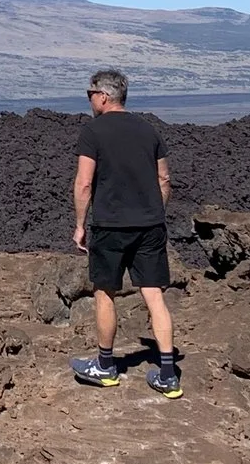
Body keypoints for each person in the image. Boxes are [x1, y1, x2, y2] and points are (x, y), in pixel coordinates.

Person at [70, 69, 180, 396]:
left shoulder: (93, 132)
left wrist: (79, 225)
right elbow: (164, 180)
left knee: (105, 291)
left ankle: (105, 367)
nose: (89, 100)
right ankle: (168, 373)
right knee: (154, 294)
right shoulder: (149, 130)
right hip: (150, 225)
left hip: (110, 226)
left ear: (103, 96)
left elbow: (84, 183)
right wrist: (155, 213)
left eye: (90, 94)